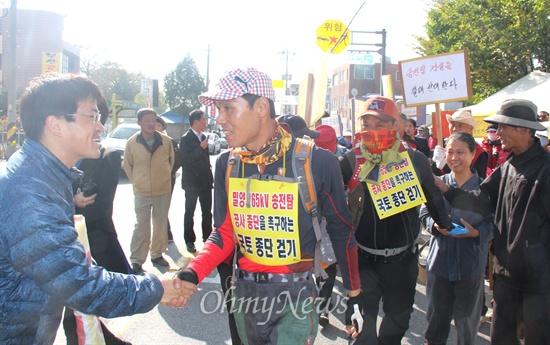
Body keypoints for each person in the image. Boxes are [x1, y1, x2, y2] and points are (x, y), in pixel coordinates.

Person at [173, 67, 364, 344]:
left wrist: (354, 295)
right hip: (243, 295)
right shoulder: (228, 163)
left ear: (261, 106)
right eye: (216, 109)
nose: (219, 119)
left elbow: (341, 230)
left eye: (227, 108)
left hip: (295, 298)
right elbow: (225, 232)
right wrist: (193, 271)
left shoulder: (317, 161)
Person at [0, 73, 192, 344]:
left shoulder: (42, 174)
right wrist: (156, 289)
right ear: (55, 124)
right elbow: (80, 285)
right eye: (92, 117)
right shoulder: (30, 191)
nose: (101, 127)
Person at [339, 95, 454, 345]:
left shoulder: (414, 159)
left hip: (403, 260)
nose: (372, 131)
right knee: (361, 326)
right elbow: (331, 197)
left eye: (379, 125)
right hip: (363, 259)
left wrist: (446, 225)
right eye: (366, 125)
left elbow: (431, 195)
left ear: (395, 126)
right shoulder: (351, 159)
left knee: (398, 319)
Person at [434, 99, 550, 344]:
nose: (498, 133)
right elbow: (479, 200)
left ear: (524, 130)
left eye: (504, 127)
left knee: (537, 338)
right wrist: (442, 187)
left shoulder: (545, 169)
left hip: (538, 279)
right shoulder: (508, 165)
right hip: (505, 273)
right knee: (501, 338)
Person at [63, 95, 134, 345]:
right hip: (63, 247)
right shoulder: (53, 161)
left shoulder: (106, 157)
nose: (99, 127)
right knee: (75, 312)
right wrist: (72, 201)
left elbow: (102, 208)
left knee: (79, 311)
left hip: (92, 242)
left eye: (98, 118)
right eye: (91, 117)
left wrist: (76, 204)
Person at [419, 132, 494, 345]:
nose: (454, 157)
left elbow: (493, 222)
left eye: (460, 152)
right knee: (436, 319)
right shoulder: (437, 183)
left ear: (473, 154)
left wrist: (477, 233)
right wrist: (433, 226)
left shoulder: (484, 189)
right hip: (439, 263)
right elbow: (423, 214)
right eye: (450, 152)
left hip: (470, 265)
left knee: (466, 321)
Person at [124, 108, 175, 274]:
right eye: (147, 120)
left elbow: (171, 162)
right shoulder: (132, 142)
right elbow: (127, 166)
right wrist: (137, 182)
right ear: (139, 122)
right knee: (141, 226)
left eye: (153, 120)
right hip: (142, 191)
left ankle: (157, 254)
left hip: (163, 190)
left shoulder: (166, 141)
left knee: (160, 224)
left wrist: (164, 178)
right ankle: (137, 260)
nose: (151, 123)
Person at [179, 109, 213, 253]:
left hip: (205, 182)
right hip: (192, 183)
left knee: (207, 212)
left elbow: (205, 161)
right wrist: (200, 148)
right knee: (190, 212)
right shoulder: (186, 138)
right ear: (196, 121)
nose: (205, 122)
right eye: (203, 120)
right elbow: (185, 160)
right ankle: (189, 240)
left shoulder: (203, 136)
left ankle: (208, 238)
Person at [432, 110, 489, 178]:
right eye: (453, 125)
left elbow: (474, 180)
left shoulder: (479, 152)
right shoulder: (443, 148)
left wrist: (444, 165)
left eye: (460, 125)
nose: (455, 129)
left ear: (470, 129)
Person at [155, 115, 182, 243]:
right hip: (149, 182)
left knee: (163, 208)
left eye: (158, 125)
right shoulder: (144, 141)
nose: (156, 127)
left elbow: (177, 161)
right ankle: (160, 235)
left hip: (167, 181)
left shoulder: (170, 142)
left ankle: (166, 235)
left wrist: (167, 173)